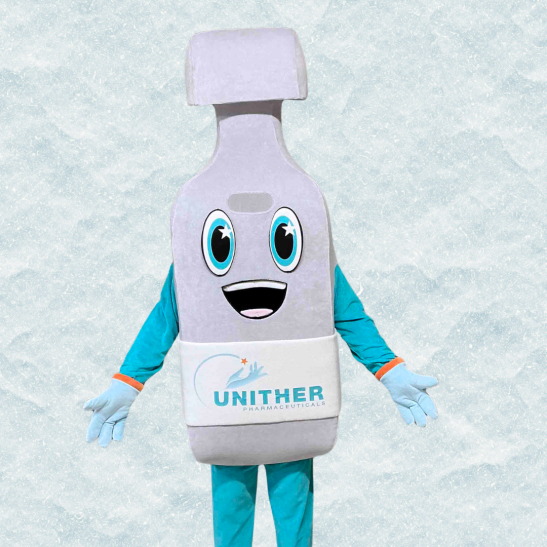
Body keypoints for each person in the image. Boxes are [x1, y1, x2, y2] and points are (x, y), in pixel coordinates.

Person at [84, 261, 438, 546]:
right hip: (235, 413)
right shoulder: (198, 255)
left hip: (286, 407)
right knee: (237, 519)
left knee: (288, 519)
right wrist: (128, 381)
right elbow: (168, 315)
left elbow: (346, 311)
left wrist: (389, 368)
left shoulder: (309, 250)